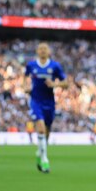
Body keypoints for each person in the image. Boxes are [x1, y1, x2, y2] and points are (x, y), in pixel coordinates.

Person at [24, 42, 68, 173]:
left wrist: (55, 84)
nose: (43, 51)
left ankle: (40, 152)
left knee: (47, 131)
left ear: (49, 51)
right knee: (41, 128)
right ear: (37, 51)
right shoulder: (31, 65)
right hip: (36, 100)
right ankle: (44, 159)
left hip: (49, 102)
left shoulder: (55, 66)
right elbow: (25, 77)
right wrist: (25, 87)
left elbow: (66, 83)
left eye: (45, 49)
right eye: (40, 49)